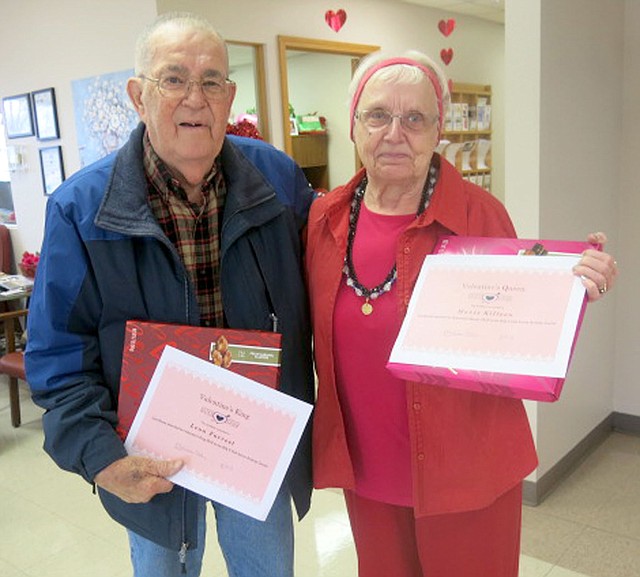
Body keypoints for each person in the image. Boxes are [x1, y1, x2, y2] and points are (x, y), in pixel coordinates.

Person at [305, 49, 619, 577]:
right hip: (366, 468)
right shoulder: (323, 217)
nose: (394, 133)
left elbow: (518, 325)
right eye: (378, 115)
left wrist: (569, 291)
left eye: (415, 118)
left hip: (466, 472)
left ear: (438, 129)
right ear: (354, 123)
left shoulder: (479, 214)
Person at [25, 12, 314, 577]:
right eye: (174, 78)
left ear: (230, 97)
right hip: (147, 455)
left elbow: (335, 277)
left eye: (212, 81)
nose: (195, 98)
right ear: (138, 95)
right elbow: (57, 357)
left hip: (255, 447)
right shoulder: (82, 209)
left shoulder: (277, 183)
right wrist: (101, 458)